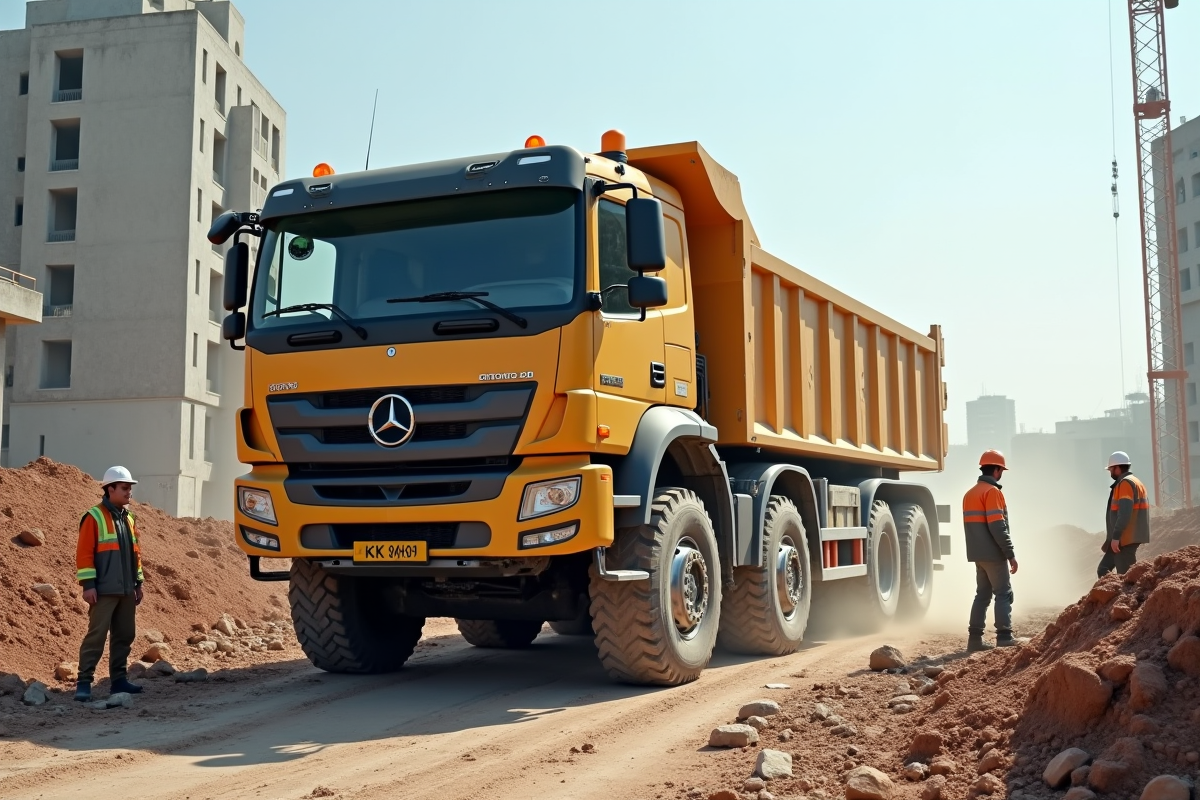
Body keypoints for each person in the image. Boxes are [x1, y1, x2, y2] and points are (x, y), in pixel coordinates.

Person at [74, 466, 145, 702]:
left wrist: (138, 583)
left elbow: (136, 553)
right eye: (125, 488)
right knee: (96, 636)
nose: (129, 493)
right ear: (110, 488)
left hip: (126, 589)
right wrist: (88, 585)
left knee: (124, 635)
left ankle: (119, 681)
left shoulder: (130, 518)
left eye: (130, 488)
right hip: (103, 590)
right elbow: (84, 554)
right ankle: (84, 682)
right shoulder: (93, 517)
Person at [961, 450, 1019, 652]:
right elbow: (998, 526)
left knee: (982, 595)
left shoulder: (970, 494)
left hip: (978, 555)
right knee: (1003, 593)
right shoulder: (992, 492)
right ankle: (1004, 636)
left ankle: (975, 640)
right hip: (994, 554)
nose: (1001, 473)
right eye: (1001, 469)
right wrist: (1010, 553)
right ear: (996, 470)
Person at [1098, 451, 1150, 578]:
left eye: (1111, 469)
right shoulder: (1135, 481)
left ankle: (1134, 596)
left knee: (1126, 576)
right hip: (1121, 539)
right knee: (1103, 569)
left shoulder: (1126, 483)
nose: (1110, 472)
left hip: (1125, 538)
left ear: (1117, 468)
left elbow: (1125, 513)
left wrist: (1116, 537)